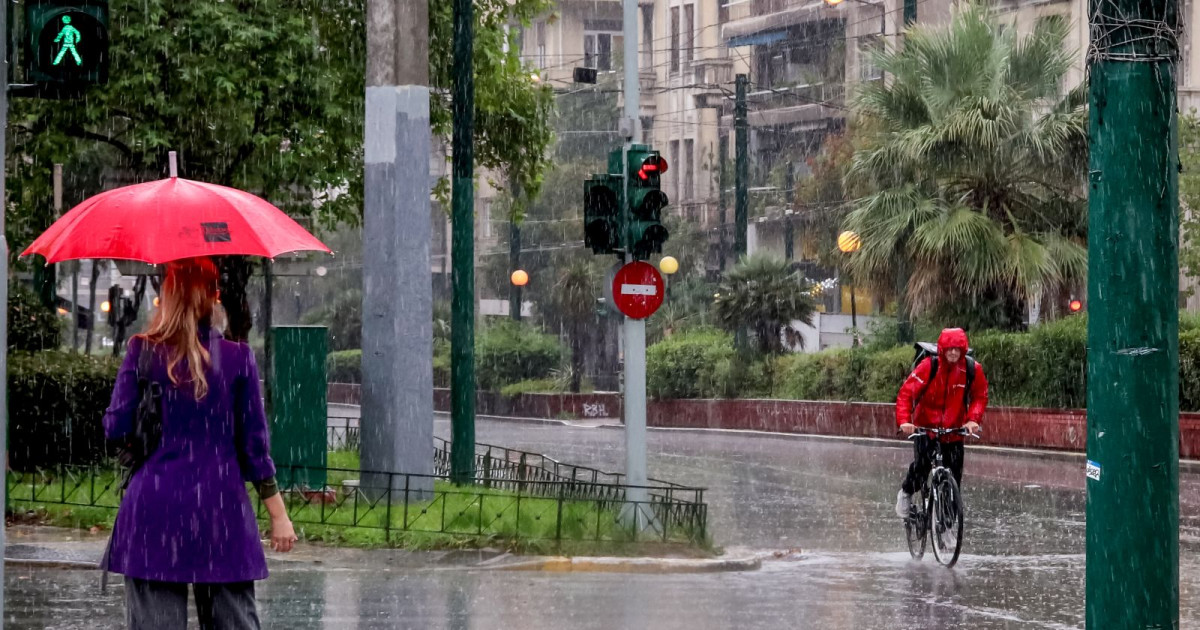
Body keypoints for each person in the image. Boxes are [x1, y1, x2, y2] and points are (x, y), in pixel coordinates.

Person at [102, 257, 297, 630]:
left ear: (167, 296)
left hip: (154, 509)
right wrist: (278, 516)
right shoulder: (239, 358)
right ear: (214, 297)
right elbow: (254, 448)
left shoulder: (143, 351)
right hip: (220, 511)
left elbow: (115, 427)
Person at [894, 327, 989, 518]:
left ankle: (947, 525)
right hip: (926, 429)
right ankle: (906, 493)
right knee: (921, 468)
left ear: (963, 350)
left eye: (957, 349)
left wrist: (972, 420)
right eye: (949, 348)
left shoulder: (971, 369)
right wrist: (905, 421)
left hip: (954, 432)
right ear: (942, 349)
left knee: (954, 482)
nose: (953, 353)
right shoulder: (929, 366)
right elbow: (906, 394)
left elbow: (980, 396)